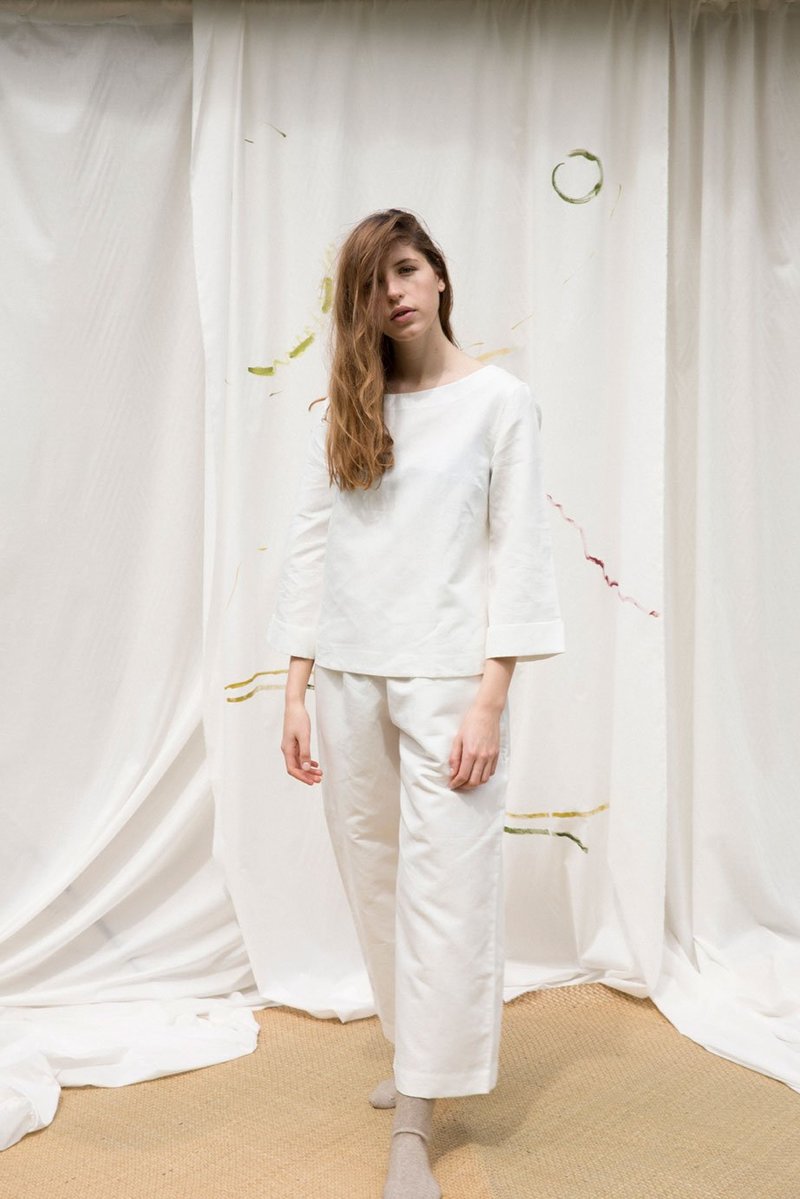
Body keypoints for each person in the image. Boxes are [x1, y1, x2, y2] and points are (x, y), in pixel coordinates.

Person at [266, 208, 565, 1199]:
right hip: (348, 674)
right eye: (371, 283)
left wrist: (489, 701)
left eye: (403, 268)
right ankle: (413, 1054)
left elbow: (518, 552)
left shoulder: (499, 402)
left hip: (447, 683)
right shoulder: (347, 408)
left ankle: (416, 1120)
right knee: (375, 875)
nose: (392, 292)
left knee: (447, 889)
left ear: (437, 274)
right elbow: (314, 544)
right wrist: (295, 686)